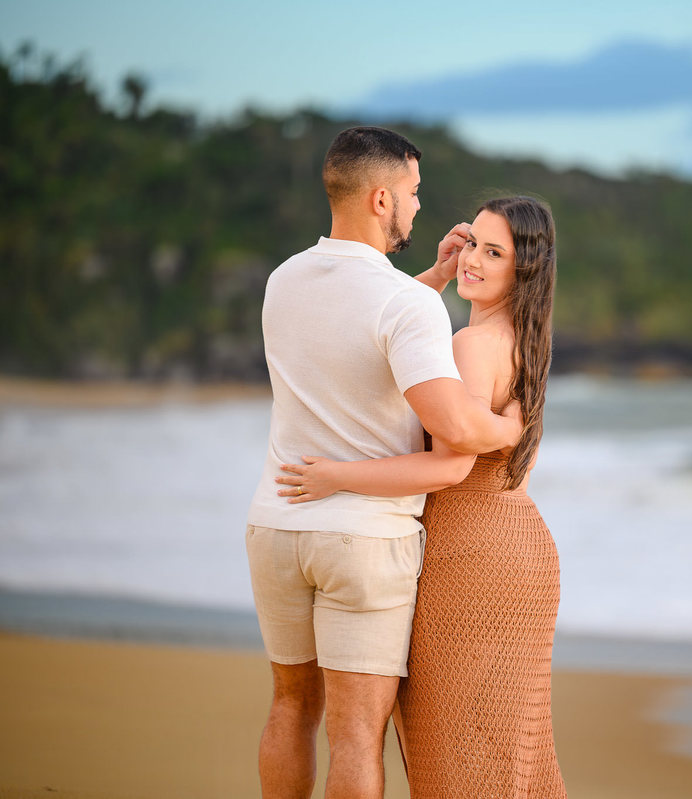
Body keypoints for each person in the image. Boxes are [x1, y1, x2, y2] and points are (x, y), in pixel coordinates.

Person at [245, 126, 522, 799]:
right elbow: (453, 424)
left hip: (277, 525)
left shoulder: (286, 279)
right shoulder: (408, 305)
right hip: (362, 540)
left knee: (290, 706)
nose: (420, 206)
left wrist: (432, 279)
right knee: (355, 734)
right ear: (380, 199)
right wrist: (514, 426)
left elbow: (355, 325)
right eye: (413, 192)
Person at [273, 196, 567, 797]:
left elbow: (449, 467)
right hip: (520, 550)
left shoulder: (469, 346)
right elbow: (387, 325)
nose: (473, 261)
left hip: (467, 559)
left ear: (525, 268)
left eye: (494, 252)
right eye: (472, 243)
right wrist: (432, 277)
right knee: (509, 751)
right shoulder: (524, 341)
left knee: (452, 755)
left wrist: (338, 475)